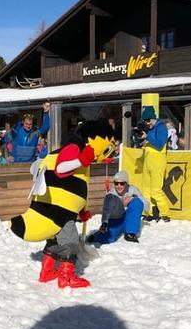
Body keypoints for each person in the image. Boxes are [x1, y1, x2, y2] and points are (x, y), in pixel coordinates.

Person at [10, 120, 115, 289]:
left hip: (58, 210)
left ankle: (47, 270)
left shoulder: (81, 156)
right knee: (70, 241)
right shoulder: (74, 149)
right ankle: (66, 277)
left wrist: (82, 211)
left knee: (54, 238)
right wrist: (82, 159)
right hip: (60, 211)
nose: (107, 152)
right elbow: (61, 168)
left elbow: (78, 187)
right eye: (107, 147)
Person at [87, 171, 146, 244]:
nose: (119, 186)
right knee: (109, 238)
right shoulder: (111, 195)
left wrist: (133, 197)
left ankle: (130, 234)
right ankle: (96, 236)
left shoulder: (132, 190)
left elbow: (146, 205)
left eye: (122, 183)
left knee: (137, 202)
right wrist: (104, 224)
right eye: (116, 183)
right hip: (116, 221)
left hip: (128, 220)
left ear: (126, 183)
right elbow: (106, 211)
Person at [139, 106, 171, 222]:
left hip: (157, 161)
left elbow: (159, 144)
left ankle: (165, 213)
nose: (147, 123)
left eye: (148, 120)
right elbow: (147, 142)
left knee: (156, 190)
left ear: (153, 118)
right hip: (147, 161)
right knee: (146, 190)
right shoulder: (149, 128)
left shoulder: (161, 127)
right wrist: (142, 139)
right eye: (145, 121)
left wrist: (147, 136)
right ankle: (149, 212)